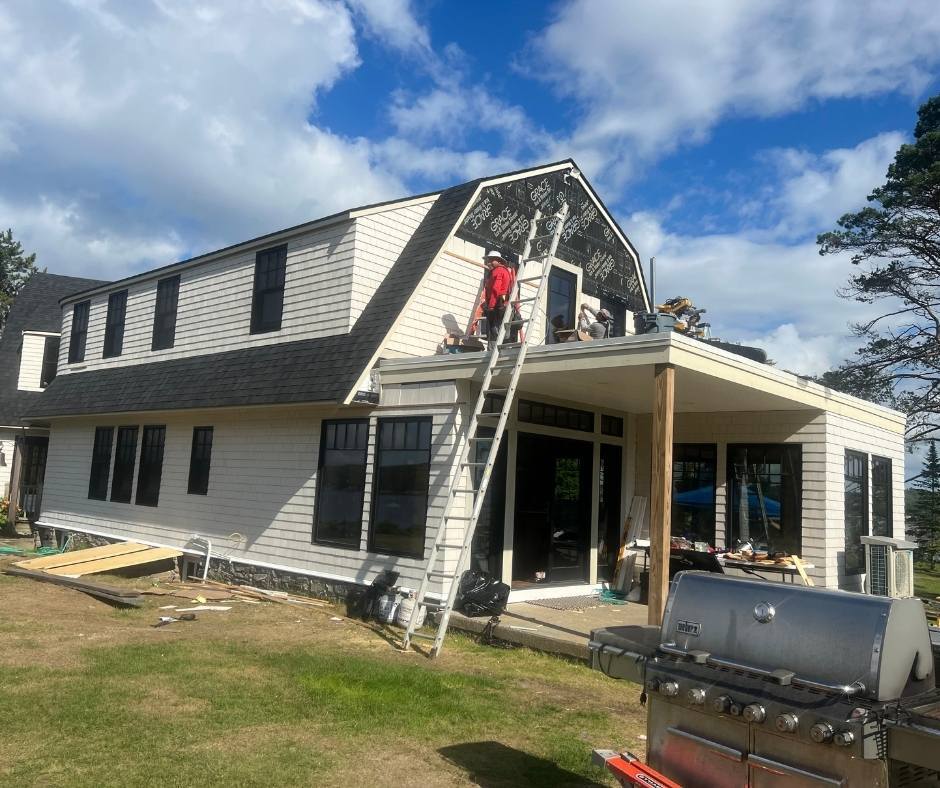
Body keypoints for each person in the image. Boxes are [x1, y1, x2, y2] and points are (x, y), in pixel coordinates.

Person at [483, 250, 513, 348]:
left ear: (498, 261)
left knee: (494, 332)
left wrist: (491, 306)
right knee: (501, 332)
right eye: (488, 260)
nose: (488, 263)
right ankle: (500, 349)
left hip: (498, 305)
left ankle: (493, 351)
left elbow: (496, 289)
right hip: (502, 304)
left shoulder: (498, 271)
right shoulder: (502, 271)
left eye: (491, 260)